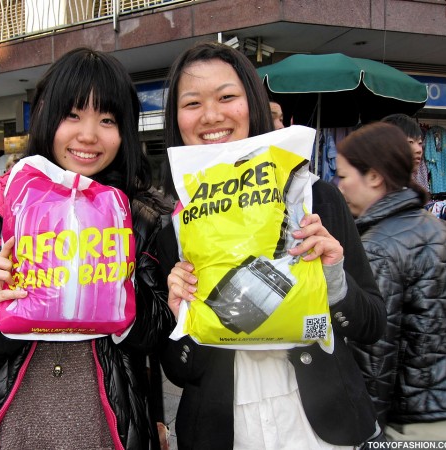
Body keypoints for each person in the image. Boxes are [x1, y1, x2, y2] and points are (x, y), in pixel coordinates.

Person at [0, 48, 174, 450]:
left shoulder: (138, 219)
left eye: (107, 120)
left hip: (103, 427)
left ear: (125, 131)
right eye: (72, 115)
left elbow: (161, 329)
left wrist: (125, 299)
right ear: (45, 116)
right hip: (0, 427)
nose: (89, 135)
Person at [157, 42, 386, 449]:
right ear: (176, 119)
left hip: (321, 427)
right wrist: (182, 318)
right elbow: (179, 370)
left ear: (254, 104)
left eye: (227, 97)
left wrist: (332, 280)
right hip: (223, 430)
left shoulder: (313, 198)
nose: (212, 115)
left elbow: (371, 325)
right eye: (192, 103)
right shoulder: (174, 224)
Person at [336, 122, 446, 442]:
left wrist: (367, 436)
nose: (339, 186)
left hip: (410, 424)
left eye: (344, 176)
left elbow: (375, 360)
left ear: (374, 177)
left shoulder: (377, 248)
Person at [380, 113, 428, 191]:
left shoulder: (412, 192)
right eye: (410, 142)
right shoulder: (375, 189)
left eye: (419, 143)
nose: (419, 150)